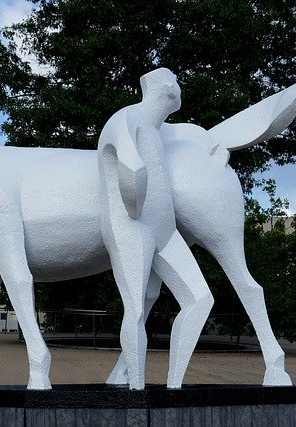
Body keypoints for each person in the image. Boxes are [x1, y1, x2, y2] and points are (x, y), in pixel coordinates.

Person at [98, 68, 213, 389]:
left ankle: (173, 385)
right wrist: (135, 211)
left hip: (162, 231)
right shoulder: (127, 119)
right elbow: (131, 169)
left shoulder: (157, 129)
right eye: (176, 81)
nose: (180, 87)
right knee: (135, 309)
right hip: (132, 229)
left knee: (200, 299)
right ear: (165, 89)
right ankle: (136, 388)